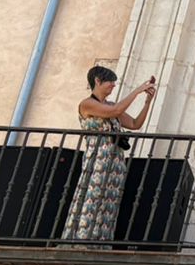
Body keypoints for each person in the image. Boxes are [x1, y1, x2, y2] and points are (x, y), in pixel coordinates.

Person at [66, 65, 156, 242]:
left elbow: (135, 124)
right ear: (97, 81)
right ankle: (81, 241)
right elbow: (115, 112)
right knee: (92, 200)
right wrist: (137, 90)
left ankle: (99, 243)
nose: (113, 85)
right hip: (98, 161)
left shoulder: (112, 105)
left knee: (108, 204)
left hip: (115, 163)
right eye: (110, 82)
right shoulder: (87, 104)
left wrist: (147, 102)